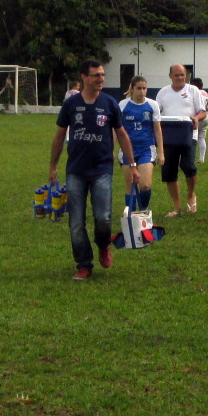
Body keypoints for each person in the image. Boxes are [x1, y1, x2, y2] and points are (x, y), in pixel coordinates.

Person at [49, 60, 136, 280]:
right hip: (76, 170)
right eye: (96, 75)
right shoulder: (71, 105)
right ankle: (84, 265)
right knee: (76, 222)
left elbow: (123, 135)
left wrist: (132, 164)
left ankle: (103, 245)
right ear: (84, 78)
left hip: (102, 170)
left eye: (103, 75)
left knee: (104, 218)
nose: (101, 79)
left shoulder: (109, 103)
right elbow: (59, 136)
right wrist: (53, 166)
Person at [154, 63, 207, 215]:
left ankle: (191, 194)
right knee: (169, 171)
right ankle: (177, 207)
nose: (180, 78)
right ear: (170, 76)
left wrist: (197, 118)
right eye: (176, 75)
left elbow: (203, 111)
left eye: (182, 75)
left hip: (188, 134)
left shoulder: (193, 90)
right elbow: (156, 114)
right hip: (168, 136)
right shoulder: (163, 92)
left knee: (188, 166)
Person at [118, 75, 164, 211]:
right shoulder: (123, 105)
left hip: (146, 148)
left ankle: (143, 209)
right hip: (127, 150)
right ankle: (131, 217)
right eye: (139, 88)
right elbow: (117, 130)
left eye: (144, 88)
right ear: (132, 89)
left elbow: (157, 129)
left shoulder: (152, 105)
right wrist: (111, 149)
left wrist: (161, 151)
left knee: (144, 184)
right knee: (131, 184)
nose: (142, 91)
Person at [191, 77, 208, 164]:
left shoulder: (196, 93)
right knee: (201, 137)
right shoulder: (206, 94)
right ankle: (202, 158)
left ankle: (191, 158)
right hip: (206, 116)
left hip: (198, 117)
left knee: (193, 137)